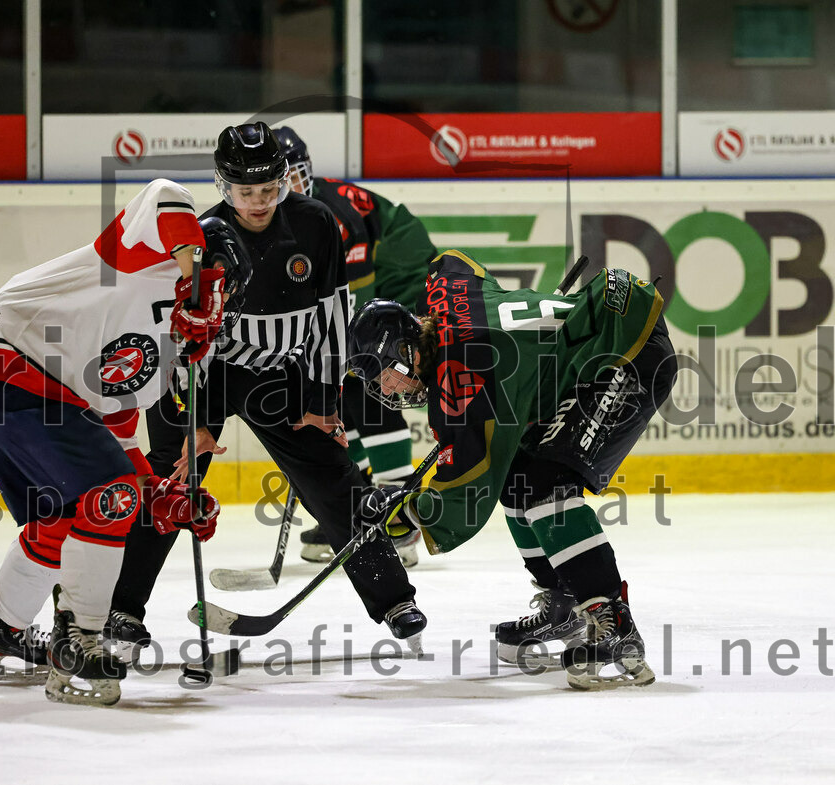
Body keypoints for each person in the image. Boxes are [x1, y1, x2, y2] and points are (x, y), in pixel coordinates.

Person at [109, 123, 427, 652]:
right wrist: (193, 422)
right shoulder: (203, 238)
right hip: (203, 375)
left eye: (268, 189)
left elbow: (331, 318)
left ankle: (395, 599)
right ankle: (122, 609)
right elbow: (177, 340)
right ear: (222, 186)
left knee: (333, 477)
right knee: (171, 484)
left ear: (283, 180)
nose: (258, 202)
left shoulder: (317, 224)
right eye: (244, 192)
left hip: (279, 373)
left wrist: (323, 403)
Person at [0, 179, 251, 706]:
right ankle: (81, 636)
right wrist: (195, 276)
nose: (216, 307)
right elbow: (163, 193)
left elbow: (116, 439)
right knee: (109, 494)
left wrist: (160, 496)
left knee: (73, 511)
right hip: (7, 353)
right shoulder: (141, 253)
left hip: (0, 380)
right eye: (214, 289)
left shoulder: (162, 359)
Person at [347, 251, 677, 690]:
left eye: (385, 376)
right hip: (608, 314)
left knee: (545, 485)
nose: (386, 389)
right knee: (520, 476)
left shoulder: (461, 382)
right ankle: (564, 603)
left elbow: (468, 491)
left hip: (628, 348)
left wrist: (405, 511)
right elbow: (450, 261)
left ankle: (613, 625)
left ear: (405, 353)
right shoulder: (444, 301)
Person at [272, 125, 438, 568]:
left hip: (405, 280)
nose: (287, 187)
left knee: (371, 385)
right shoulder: (272, 219)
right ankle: (362, 513)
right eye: (276, 179)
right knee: (342, 404)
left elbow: (354, 305)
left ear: (306, 173)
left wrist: (331, 356)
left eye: (294, 175)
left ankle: (402, 525)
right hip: (367, 299)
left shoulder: (334, 214)